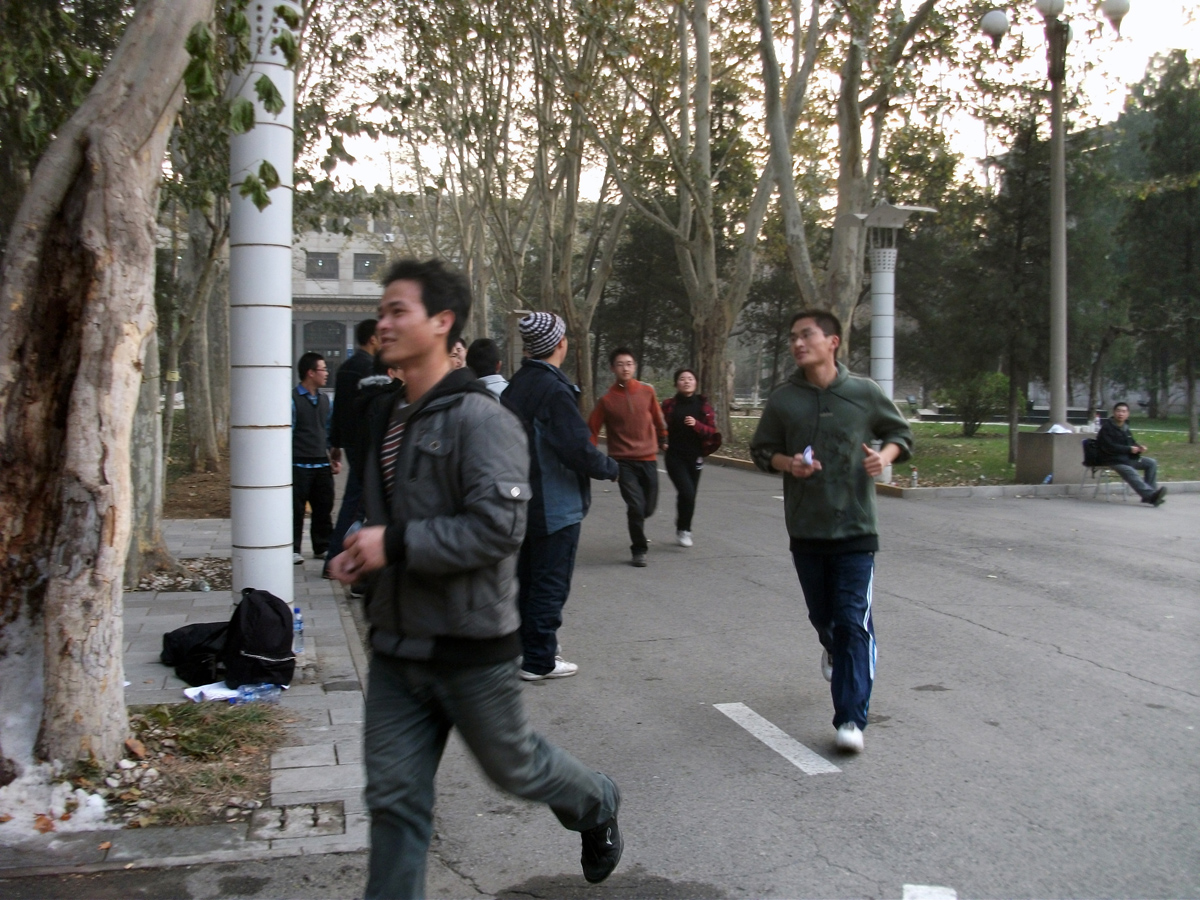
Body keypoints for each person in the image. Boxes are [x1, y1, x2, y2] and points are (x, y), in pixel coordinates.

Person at [328, 259, 622, 899]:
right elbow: (379, 512)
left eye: (398, 311)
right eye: (382, 311)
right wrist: (355, 552)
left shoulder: (482, 419)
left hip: (470, 646)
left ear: (442, 322)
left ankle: (596, 799)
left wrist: (393, 544)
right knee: (394, 803)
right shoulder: (386, 414)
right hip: (396, 646)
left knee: (516, 769)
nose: (383, 323)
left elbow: (498, 530)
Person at [750, 310, 913, 755]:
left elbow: (900, 434)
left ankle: (851, 719)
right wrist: (788, 464)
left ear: (833, 342)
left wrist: (884, 457)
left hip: (857, 528)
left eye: (807, 335)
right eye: (793, 337)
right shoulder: (784, 399)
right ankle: (831, 645)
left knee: (853, 621)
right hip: (807, 528)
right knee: (825, 618)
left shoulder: (864, 392)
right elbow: (762, 450)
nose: (798, 343)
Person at [502, 312, 619, 681]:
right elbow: (575, 448)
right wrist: (610, 468)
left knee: (528, 580)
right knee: (550, 583)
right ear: (560, 344)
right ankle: (540, 660)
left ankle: (526, 649)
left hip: (521, 500)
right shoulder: (554, 390)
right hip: (554, 504)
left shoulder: (515, 386)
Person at [588, 348, 667, 567]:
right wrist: (590, 455)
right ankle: (639, 549)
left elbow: (658, 417)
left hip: (648, 458)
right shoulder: (606, 400)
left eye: (629, 364)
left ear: (635, 367)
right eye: (620, 364)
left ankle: (638, 522)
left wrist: (663, 436)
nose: (625, 368)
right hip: (622, 461)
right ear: (613, 368)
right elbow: (592, 429)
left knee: (647, 508)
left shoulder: (647, 392)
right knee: (635, 506)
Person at [324, 318, 380, 575]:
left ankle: (340, 556)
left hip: (351, 443)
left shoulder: (346, 367)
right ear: (372, 339)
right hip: (366, 444)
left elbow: (338, 410)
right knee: (357, 503)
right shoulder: (370, 369)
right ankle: (336, 557)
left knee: (355, 500)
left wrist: (336, 443)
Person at [660, 368, 717, 548]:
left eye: (690, 379)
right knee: (687, 492)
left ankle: (683, 528)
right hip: (674, 456)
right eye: (682, 379)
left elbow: (712, 431)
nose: (686, 381)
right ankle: (684, 529)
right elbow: (658, 425)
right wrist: (662, 441)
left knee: (689, 495)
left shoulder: (703, 407)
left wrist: (697, 424)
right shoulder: (669, 405)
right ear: (676, 383)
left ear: (696, 383)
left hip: (695, 457)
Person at [292, 352, 341, 564]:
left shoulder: (325, 400)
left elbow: (328, 431)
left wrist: (333, 456)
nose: (327, 373)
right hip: (298, 463)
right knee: (295, 509)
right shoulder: (292, 400)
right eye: (323, 369)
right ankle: (293, 548)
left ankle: (322, 546)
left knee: (323, 507)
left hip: (321, 463)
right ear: (310, 373)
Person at [1096, 401, 1165, 506]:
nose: (1121, 414)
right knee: (1130, 470)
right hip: (1112, 459)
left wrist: (1139, 447)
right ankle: (1151, 496)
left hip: (1126, 458)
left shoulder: (1125, 427)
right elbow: (1109, 446)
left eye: (1124, 411)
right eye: (1118, 411)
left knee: (1151, 463)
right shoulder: (1107, 428)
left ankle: (1152, 494)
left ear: (1127, 414)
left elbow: (1131, 442)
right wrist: (1129, 449)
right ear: (1114, 412)